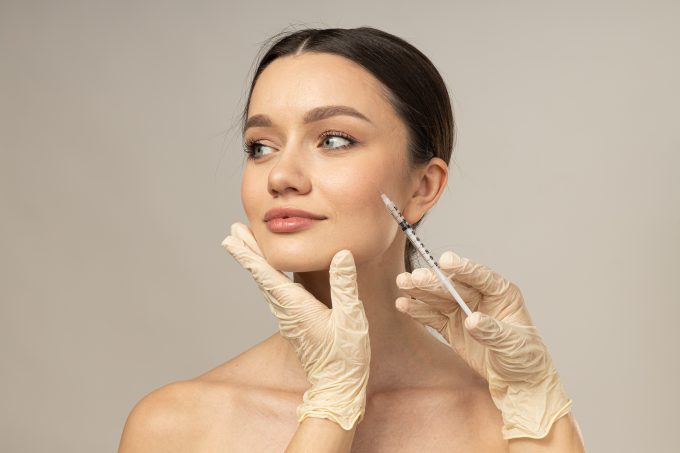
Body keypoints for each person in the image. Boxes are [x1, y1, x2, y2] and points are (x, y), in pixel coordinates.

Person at [118, 27, 586, 452]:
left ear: (423, 187)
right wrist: (331, 407)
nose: (280, 175)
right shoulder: (176, 426)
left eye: (334, 140)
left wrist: (535, 409)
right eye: (261, 146)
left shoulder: (509, 421)